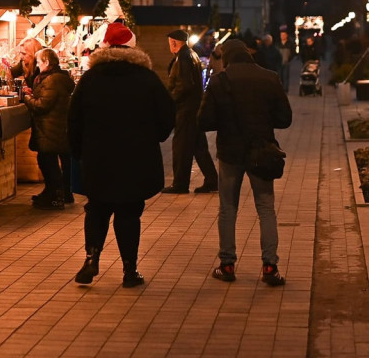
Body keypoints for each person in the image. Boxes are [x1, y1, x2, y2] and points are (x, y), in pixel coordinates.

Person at [69, 22, 175, 287]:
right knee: (129, 212)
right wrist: (154, 137)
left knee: (97, 209)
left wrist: (79, 151)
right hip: (135, 160)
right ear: (132, 47)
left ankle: (92, 258)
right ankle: (129, 270)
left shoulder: (91, 78)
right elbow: (167, 115)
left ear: (105, 46)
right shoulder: (146, 78)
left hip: (98, 159)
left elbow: (74, 118)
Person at [198, 39, 292, 286]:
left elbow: (204, 121)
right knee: (266, 208)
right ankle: (270, 266)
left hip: (230, 154)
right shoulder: (269, 77)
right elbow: (285, 119)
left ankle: (227, 264)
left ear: (226, 57)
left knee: (228, 208)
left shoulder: (219, 81)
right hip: (261, 152)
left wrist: (226, 120)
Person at [162, 29, 218, 194]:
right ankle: (212, 180)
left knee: (182, 147)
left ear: (173, 42)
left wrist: (171, 100)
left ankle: (180, 184)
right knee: (198, 147)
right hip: (194, 108)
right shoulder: (191, 54)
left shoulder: (183, 57)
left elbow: (184, 85)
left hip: (186, 110)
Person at [23, 48, 76, 210]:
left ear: (46, 62)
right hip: (56, 126)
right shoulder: (58, 78)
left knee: (47, 161)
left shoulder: (51, 80)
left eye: (39, 62)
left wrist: (27, 98)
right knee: (50, 160)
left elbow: (42, 105)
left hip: (50, 127)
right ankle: (59, 193)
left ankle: (55, 195)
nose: (37, 66)